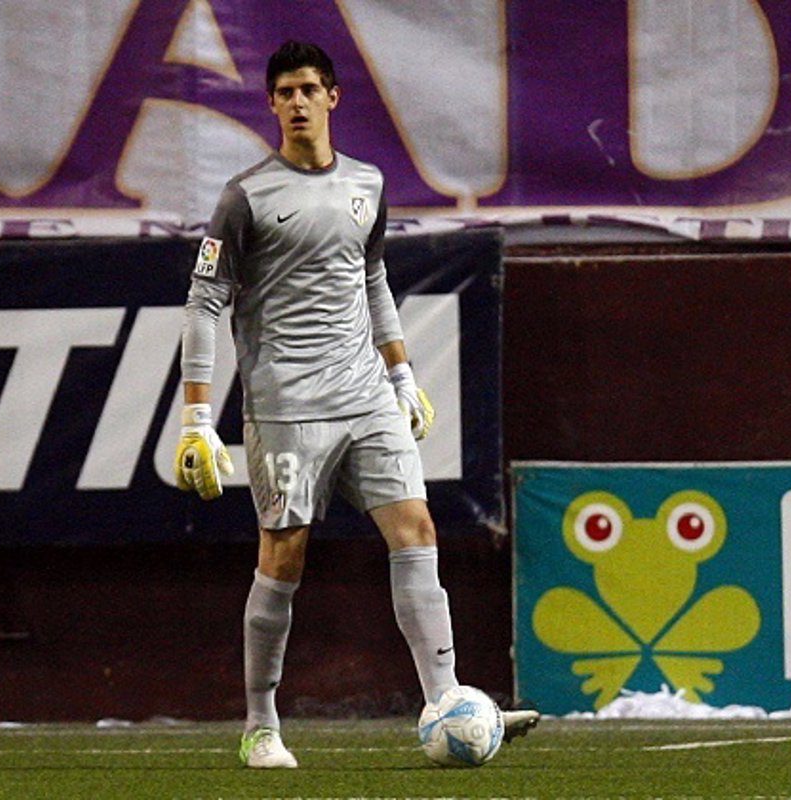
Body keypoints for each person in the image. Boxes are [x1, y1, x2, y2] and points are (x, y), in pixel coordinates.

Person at [174, 40, 537, 769]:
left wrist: (401, 374)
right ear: (271, 104)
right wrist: (197, 419)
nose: (297, 102)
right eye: (285, 92)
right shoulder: (246, 196)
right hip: (285, 406)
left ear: (332, 97)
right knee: (284, 554)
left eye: (309, 89)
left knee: (416, 528)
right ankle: (261, 724)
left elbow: (371, 278)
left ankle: (445, 701)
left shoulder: (367, 182)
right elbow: (204, 302)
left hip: (365, 394)